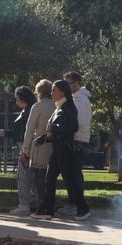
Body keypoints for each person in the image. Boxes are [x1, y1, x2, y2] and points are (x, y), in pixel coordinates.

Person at [33, 79, 90, 221]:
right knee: (49, 179)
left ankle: (83, 209)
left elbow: (73, 127)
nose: (51, 92)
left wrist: (54, 128)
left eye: (54, 90)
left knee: (69, 181)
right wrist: (44, 138)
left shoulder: (69, 108)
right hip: (57, 149)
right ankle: (46, 210)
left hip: (65, 150)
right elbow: (55, 132)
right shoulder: (58, 107)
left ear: (63, 92)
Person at [17, 80, 55, 214]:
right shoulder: (56, 106)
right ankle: (49, 205)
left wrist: (25, 150)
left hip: (39, 147)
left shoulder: (37, 106)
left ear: (39, 92)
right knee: (49, 180)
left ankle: (41, 207)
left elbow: (29, 130)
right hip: (53, 148)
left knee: (37, 179)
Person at [0, 85, 37, 215]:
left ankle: (24, 204)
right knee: (31, 177)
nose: (15, 101)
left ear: (22, 98)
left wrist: (25, 150)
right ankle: (37, 202)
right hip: (25, 146)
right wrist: (4, 133)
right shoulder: (27, 110)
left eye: (17, 98)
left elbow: (24, 132)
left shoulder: (29, 111)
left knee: (23, 176)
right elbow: (18, 132)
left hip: (26, 147)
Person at [63, 70, 92, 218]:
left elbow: (77, 122)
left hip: (78, 140)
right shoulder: (75, 98)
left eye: (69, 84)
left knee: (74, 174)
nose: (67, 87)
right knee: (70, 174)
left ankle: (77, 205)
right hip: (74, 139)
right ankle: (73, 203)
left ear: (76, 83)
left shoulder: (81, 100)